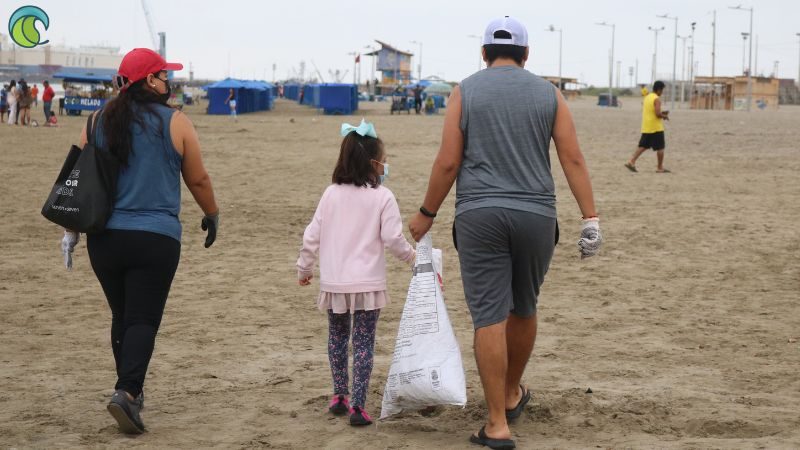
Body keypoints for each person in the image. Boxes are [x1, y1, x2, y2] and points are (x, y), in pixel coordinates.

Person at [407, 17, 602, 449]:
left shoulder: (465, 91)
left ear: (483, 53)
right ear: (527, 54)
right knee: (524, 307)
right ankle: (512, 390)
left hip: (481, 215)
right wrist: (590, 218)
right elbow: (573, 159)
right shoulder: (550, 94)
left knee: (488, 316)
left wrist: (426, 213)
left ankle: (497, 422)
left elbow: (447, 163)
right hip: (536, 216)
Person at [60, 48, 220, 435]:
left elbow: (73, 176)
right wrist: (211, 214)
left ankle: (129, 390)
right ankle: (128, 393)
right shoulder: (176, 122)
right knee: (143, 319)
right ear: (149, 81)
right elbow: (197, 179)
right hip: (154, 239)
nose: (170, 82)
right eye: (165, 76)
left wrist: (71, 229)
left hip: (105, 240)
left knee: (124, 316)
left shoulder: (96, 120)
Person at [296, 119, 415, 427]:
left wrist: (305, 267)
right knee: (363, 343)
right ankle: (358, 406)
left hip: (335, 281)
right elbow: (393, 239)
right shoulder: (383, 197)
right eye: (384, 161)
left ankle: (339, 395)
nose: (386, 166)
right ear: (374, 164)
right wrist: (413, 258)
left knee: (336, 337)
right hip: (368, 284)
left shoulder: (330, 194)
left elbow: (312, 234)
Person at [625, 80, 670, 173]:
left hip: (646, 126)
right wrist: (664, 116)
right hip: (656, 127)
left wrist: (661, 114)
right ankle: (660, 167)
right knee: (660, 148)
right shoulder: (656, 99)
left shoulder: (647, 97)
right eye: (662, 90)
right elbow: (657, 114)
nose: (662, 93)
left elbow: (652, 111)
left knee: (643, 146)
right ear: (658, 90)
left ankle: (631, 161)